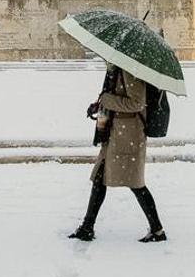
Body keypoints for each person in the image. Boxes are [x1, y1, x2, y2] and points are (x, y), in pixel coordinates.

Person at [68, 64, 166, 243]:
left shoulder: (129, 69)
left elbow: (136, 103)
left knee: (135, 183)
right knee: (100, 177)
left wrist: (107, 100)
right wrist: (100, 104)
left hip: (127, 134)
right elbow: (115, 96)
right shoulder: (117, 69)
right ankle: (87, 227)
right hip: (115, 133)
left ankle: (157, 230)